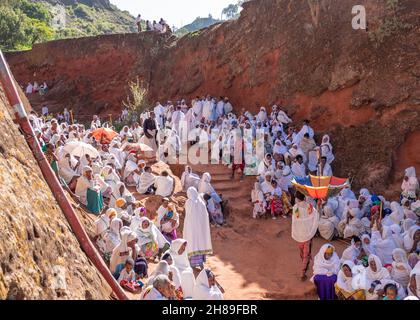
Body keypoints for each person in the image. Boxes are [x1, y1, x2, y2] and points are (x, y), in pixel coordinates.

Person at [291, 191, 319, 281]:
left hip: (300, 235)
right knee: (306, 253)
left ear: (297, 198)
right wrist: (319, 205)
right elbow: (315, 215)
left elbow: (295, 220)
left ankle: (303, 271)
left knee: (303, 252)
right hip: (308, 234)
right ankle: (303, 269)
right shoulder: (309, 207)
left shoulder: (295, 208)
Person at [183, 187, 213, 268]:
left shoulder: (188, 202)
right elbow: (205, 215)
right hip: (200, 229)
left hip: (191, 228)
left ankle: (192, 264)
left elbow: (187, 215)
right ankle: (200, 263)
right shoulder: (201, 202)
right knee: (199, 243)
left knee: (192, 242)